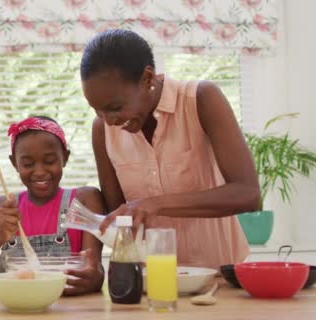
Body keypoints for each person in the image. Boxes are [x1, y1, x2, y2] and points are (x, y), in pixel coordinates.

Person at [81, 29, 260, 270]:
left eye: (115, 107)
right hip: (149, 282)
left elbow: (248, 194)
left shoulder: (201, 99)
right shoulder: (102, 129)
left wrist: (155, 203)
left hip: (218, 277)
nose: (108, 119)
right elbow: (120, 217)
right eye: (96, 109)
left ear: (147, 78)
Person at [0, 116, 105, 296]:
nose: (39, 171)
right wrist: (0, 235)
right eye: (28, 164)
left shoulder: (85, 200)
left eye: (49, 161)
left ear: (65, 157)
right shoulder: (0, 207)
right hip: (14, 310)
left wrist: (95, 276)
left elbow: (93, 268)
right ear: (15, 163)